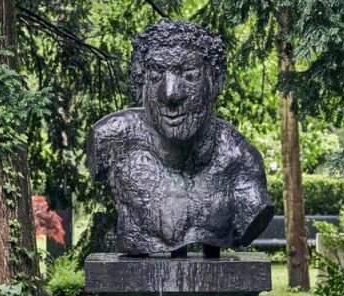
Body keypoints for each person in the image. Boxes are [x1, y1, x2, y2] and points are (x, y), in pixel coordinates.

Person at [87, 19, 273, 258]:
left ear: (215, 82)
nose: (171, 93)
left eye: (190, 75)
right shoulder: (109, 139)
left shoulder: (241, 163)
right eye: (155, 76)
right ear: (140, 84)